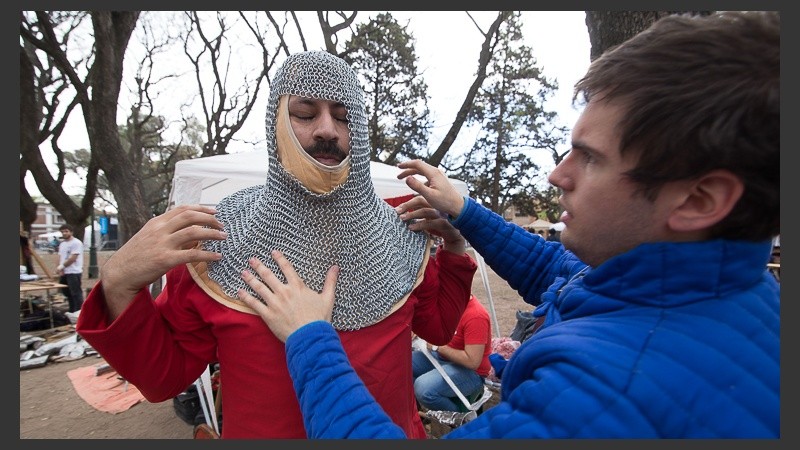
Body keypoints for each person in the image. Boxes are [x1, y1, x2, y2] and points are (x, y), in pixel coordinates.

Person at [234, 11, 779, 438]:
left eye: (589, 157)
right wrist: (463, 213)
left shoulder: (610, 396)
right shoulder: (713, 282)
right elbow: (557, 273)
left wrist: (309, 338)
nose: (557, 174)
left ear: (701, 198)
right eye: (305, 113)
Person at [76, 50, 477, 439]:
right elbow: (164, 378)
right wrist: (118, 283)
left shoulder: (398, 233)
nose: (326, 129)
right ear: (276, 123)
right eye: (305, 113)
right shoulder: (219, 239)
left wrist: (456, 251)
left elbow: (439, 329)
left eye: (342, 116)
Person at [412, 294, 492, 413]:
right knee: (402, 364)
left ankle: (460, 418)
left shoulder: (476, 316)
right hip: (443, 358)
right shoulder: (448, 306)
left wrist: (438, 347)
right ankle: (418, 413)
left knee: (423, 388)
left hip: (471, 372)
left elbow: (472, 362)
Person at [56, 224, 84, 312]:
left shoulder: (76, 243)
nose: (64, 233)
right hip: (65, 272)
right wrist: (59, 269)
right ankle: (72, 310)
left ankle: (80, 311)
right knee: (67, 293)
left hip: (74, 271)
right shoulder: (62, 244)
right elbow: (60, 257)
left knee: (76, 293)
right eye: (62, 232)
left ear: (71, 232)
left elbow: (73, 258)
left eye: (66, 231)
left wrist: (61, 266)